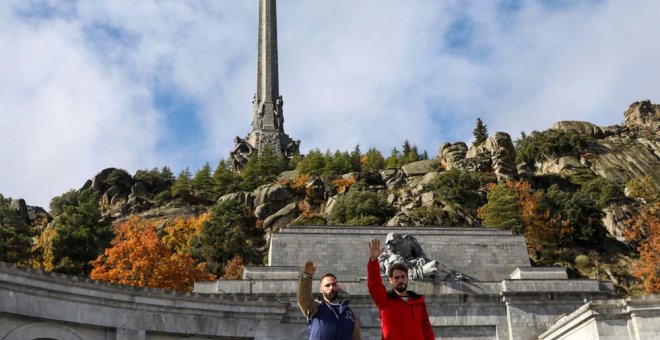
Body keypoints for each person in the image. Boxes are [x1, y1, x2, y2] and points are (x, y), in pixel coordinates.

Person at [368, 238, 435, 340]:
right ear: (391, 280)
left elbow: (427, 330)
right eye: (396, 277)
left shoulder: (418, 302)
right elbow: (374, 285)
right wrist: (373, 262)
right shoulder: (384, 301)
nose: (400, 280)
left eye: (403, 277)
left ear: (407, 278)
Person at [297, 260, 361, 340]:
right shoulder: (315, 308)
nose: (331, 287)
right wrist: (307, 277)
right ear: (321, 289)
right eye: (327, 285)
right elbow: (304, 299)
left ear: (337, 287)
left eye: (334, 284)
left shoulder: (350, 312)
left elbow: (356, 337)